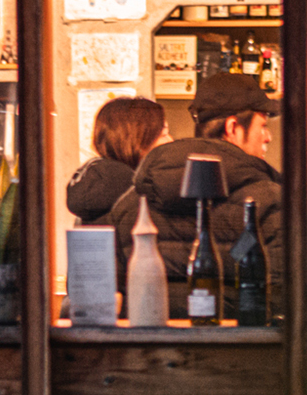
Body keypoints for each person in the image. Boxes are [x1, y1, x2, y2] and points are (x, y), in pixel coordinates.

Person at [109, 74, 285, 320]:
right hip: (239, 352)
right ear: (233, 128)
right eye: (263, 126)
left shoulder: (131, 204)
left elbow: (112, 300)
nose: (268, 137)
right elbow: (285, 302)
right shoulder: (268, 200)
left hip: (148, 350)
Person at [69, 97, 169, 226]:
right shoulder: (139, 204)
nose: (170, 140)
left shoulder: (92, 193)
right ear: (137, 140)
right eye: (164, 134)